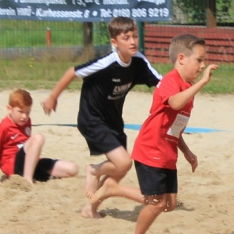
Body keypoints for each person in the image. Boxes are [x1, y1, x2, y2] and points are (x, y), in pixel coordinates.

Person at [41, 16, 161, 219]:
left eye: (134, 36)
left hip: (113, 122)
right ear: (114, 42)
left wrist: (185, 86)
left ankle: (91, 208)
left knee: (118, 171)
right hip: (92, 120)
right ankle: (94, 170)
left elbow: (162, 83)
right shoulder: (106, 63)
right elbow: (72, 72)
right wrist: (53, 97)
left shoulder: (139, 61)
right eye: (126, 38)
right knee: (124, 163)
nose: (132, 41)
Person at [125, 34, 217, 234]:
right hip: (150, 149)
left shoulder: (187, 87)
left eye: (204, 61)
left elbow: (175, 126)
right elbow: (175, 103)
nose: (202, 65)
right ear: (182, 58)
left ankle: (113, 189)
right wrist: (203, 82)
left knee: (169, 204)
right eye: (199, 60)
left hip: (167, 152)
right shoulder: (170, 81)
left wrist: (186, 151)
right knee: (156, 203)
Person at [0, 89, 78, 184]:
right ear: (9, 109)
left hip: (29, 164)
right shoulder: (3, 127)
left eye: (27, 112)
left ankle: (32, 174)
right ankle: (27, 179)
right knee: (38, 138)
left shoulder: (27, 121)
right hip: (13, 166)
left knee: (72, 169)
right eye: (20, 112)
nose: (24, 116)